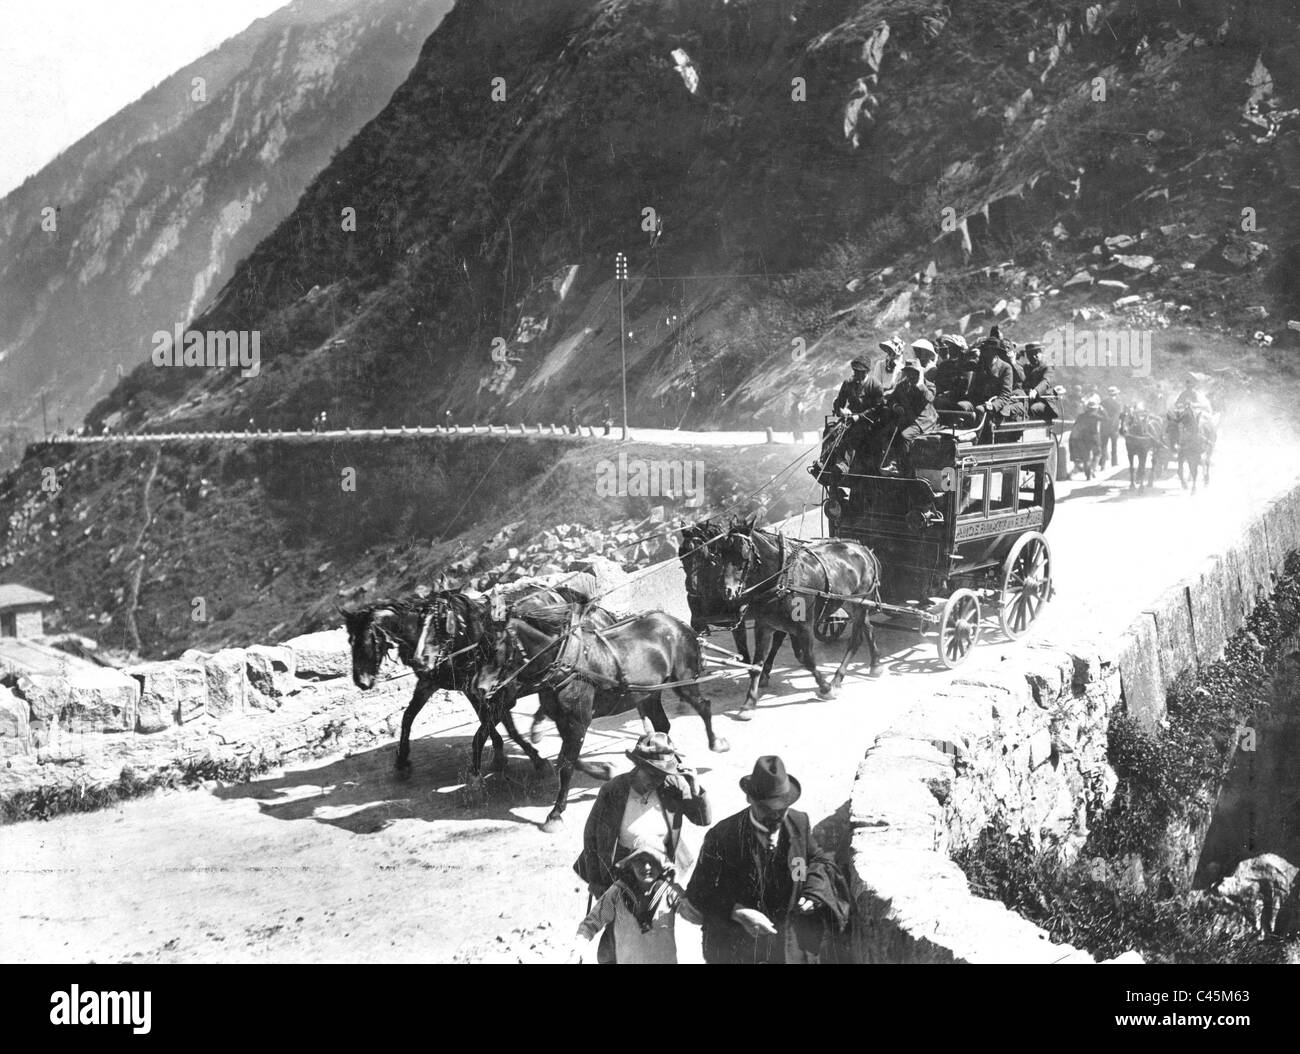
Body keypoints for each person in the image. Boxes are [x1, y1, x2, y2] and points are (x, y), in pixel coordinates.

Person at [684, 756, 849, 964]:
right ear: (749, 799)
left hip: (790, 949)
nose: (775, 817)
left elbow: (818, 859)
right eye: (766, 810)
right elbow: (698, 893)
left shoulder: (799, 822)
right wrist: (737, 912)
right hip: (740, 951)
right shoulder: (722, 836)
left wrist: (814, 890)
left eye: (781, 810)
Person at [575, 732, 710, 964]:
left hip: (658, 870)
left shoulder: (672, 786)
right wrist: (597, 881)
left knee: (657, 929)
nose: (656, 780)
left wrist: (695, 788)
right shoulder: (614, 790)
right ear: (637, 765)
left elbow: (702, 819)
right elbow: (591, 837)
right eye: (652, 773)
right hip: (622, 870)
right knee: (616, 933)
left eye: (662, 774)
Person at [570, 842, 695, 964]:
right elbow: (591, 923)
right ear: (630, 863)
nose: (647, 867)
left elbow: (694, 915)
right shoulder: (617, 893)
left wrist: (683, 895)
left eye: (653, 860)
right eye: (640, 860)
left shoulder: (669, 892)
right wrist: (577, 950)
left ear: (662, 864)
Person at [812, 356, 886, 480]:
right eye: (855, 371)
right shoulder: (848, 383)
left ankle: (844, 464)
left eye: (859, 372)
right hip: (849, 418)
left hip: (867, 422)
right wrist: (840, 410)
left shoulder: (875, 385)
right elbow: (839, 402)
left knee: (855, 433)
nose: (856, 374)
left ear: (867, 371)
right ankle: (824, 461)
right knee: (830, 430)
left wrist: (859, 417)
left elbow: (877, 408)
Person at [871, 359, 937, 476]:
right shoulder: (902, 385)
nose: (911, 375)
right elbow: (890, 399)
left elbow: (930, 398)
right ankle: (889, 463)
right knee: (886, 432)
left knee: (905, 436)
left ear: (919, 373)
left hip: (924, 420)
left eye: (914, 372)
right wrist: (895, 406)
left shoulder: (928, 385)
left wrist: (920, 384)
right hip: (908, 419)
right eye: (908, 372)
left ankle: (904, 468)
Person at [1021, 343, 1059, 422]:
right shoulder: (1026, 368)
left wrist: (1035, 391)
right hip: (1028, 400)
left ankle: (1031, 432)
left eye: (1036, 353)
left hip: (1046, 403)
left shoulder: (1047, 366)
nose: (1034, 357)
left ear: (1041, 353)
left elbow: (1046, 382)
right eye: (1030, 354)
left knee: (1033, 409)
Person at [1100, 386, 1123, 466]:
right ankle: (1114, 462)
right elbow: (1119, 416)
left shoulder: (1103, 402)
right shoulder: (1118, 404)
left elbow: (1100, 413)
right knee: (1114, 446)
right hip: (1114, 427)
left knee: (1103, 445)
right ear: (1116, 394)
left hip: (1104, 426)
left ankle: (1102, 463)